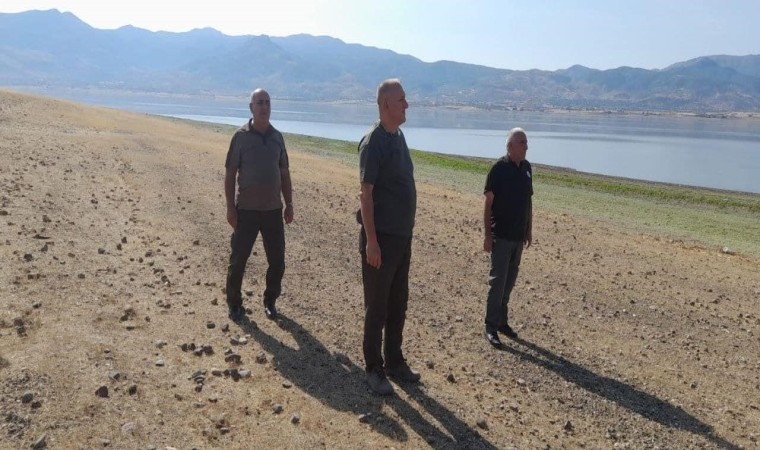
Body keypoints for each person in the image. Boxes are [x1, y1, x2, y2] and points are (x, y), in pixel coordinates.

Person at [358, 79, 420, 396]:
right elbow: (365, 195)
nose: (407, 104)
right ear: (385, 105)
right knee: (377, 307)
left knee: (398, 303)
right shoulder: (374, 143)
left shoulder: (398, 136)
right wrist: (371, 241)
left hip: (401, 237)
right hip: (381, 238)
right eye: (401, 100)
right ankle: (374, 368)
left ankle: (395, 361)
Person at [225, 88, 294, 322]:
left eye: (267, 102)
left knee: (277, 262)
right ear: (251, 108)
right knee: (238, 260)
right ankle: (234, 303)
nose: (264, 107)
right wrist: (230, 208)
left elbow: (284, 173)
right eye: (259, 103)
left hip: (273, 211)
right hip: (246, 211)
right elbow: (230, 174)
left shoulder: (277, 137)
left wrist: (289, 204)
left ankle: (270, 301)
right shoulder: (240, 137)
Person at [482, 127, 533, 348]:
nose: (526, 146)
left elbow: (528, 201)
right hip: (501, 236)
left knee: (510, 281)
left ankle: (502, 321)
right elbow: (488, 204)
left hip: (518, 236)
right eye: (522, 142)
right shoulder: (498, 169)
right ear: (510, 146)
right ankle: (490, 326)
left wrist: (529, 229)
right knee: (498, 282)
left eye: (526, 142)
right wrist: (487, 235)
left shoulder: (527, 168)